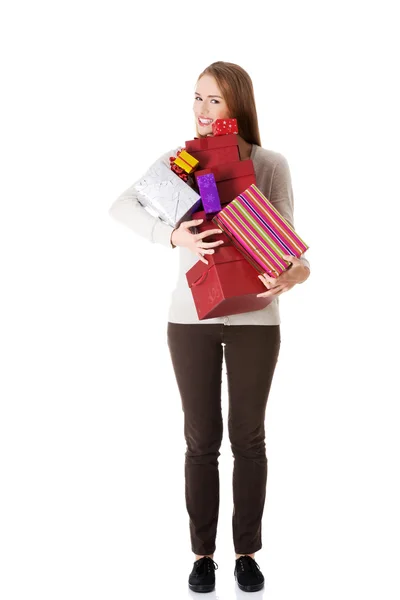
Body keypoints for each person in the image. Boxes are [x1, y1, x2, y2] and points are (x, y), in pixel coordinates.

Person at [109, 61, 310, 594]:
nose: (201, 110)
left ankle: (246, 553)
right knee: (201, 441)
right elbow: (121, 205)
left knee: (249, 438)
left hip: (256, 319)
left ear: (238, 105)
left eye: (214, 100)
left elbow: (290, 245)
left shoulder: (270, 164)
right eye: (196, 98)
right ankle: (202, 556)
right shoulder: (180, 162)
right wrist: (172, 237)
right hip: (189, 319)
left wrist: (294, 272)